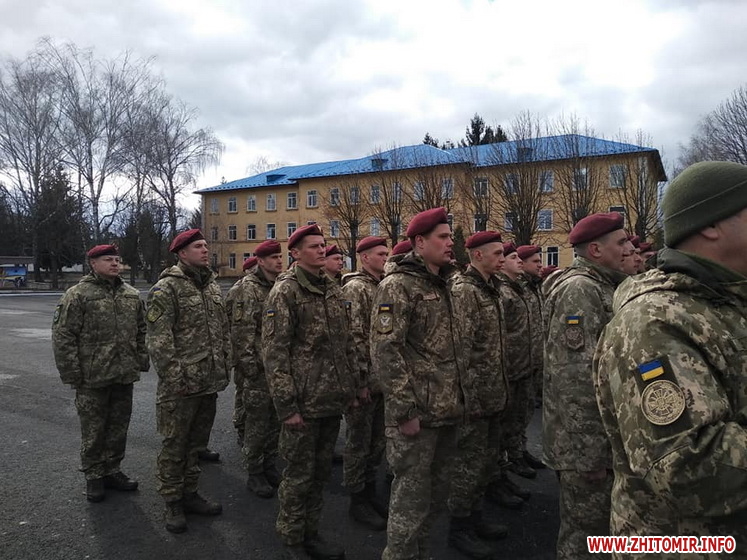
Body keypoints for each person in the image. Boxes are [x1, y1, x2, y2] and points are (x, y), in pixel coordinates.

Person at [594, 161, 747, 557]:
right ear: (710, 224)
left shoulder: (723, 302)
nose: (630, 252)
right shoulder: (654, 322)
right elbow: (688, 464)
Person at [371, 207, 466, 560]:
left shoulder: (445, 283)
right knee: (409, 503)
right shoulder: (397, 286)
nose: (450, 242)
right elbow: (385, 350)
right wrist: (404, 410)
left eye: (450, 236)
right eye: (443, 237)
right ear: (420, 242)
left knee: (435, 497)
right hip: (417, 416)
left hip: (446, 410)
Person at [542, 212, 633, 559]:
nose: (627, 249)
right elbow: (575, 377)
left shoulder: (602, 285)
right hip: (583, 443)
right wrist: (590, 454)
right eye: (620, 242)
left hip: (598, 438)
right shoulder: (580, 290)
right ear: (595, 249)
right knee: (585, 534)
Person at [262, 224, 356, 560]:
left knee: (319, 475)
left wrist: (351, 388)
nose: (321, 250)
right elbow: (275, 353)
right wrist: (287, 407)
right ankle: (292, 540)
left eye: (323, 245)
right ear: (296, 253)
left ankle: (310, 533)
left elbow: (345, 343)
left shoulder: (331, 287)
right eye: (314, 246)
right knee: (299, 476)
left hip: (330, 399)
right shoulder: (285, 292)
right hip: (303, 403)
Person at [146, 229, 231, 533]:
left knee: (196, 445)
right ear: (182, 253)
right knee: (175, 445)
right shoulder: (166, 288)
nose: (205, 250)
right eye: (198, 246)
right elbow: (159, 341)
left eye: (206, 245)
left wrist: (224, 366)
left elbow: (222, 330)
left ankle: (190, 493)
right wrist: (175, 379)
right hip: (181, 387)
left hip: (207, 381)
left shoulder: (210, 286)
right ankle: (172, 501)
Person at [52, 244, 148, 502]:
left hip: (123, 373)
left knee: (119, 426)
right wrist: (72, 373)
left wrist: (140, 359)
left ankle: (113, 469)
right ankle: (94, 475)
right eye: (108, 259)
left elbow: (141, 330)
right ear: (93, 263)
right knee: (94, 429)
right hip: (92, 376)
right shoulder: (78, 295)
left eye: (117, 259)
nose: (115, 263)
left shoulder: (131, 294)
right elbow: (63, 336)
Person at [447, 231, 510, 559]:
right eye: (497, 253)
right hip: (474, 398)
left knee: (485, 461)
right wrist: (467, 398)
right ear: (478, 255)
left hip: (493, 392)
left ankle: (475, 516)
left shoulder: (491, 287)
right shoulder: (465, 291)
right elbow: (461, 350)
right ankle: (459, 527)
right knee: (467, 466)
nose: (502, 258)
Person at [225, 241, 283, 498]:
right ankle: (255, 471)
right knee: (257, 424)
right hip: (257, 369)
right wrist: (250, 369)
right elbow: (241, 333)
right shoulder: (247, 289)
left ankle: (269, 464)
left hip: (276, 367)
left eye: (280, 256)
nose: (279, 261)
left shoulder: (278, 285)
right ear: (260, 261)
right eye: (273, 257)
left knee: (274, 421)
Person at [341, 236, 391, 531]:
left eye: (386, 253)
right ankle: (357, 498)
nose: (385, 257)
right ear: (364, 257)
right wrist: (359, 382)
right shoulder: (356, 288)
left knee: (377, 441)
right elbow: (353, 338)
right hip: (364, 382)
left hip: (382, 380)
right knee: (358, 442)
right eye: (380, 254)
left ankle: (370, 491)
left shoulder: (382, 285)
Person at [491, 242, 535, 507]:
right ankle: (500, 473)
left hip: (522, 366)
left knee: (518, 419)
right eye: (513, 257)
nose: (519, 261)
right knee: (499, 431)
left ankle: (512, 460)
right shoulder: (501, 291)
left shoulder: (520, 288)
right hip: (506, 370)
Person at [516, 244, 548, 447]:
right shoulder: (518, 288)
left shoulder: (534, 287)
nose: (540, 265)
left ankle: (520, 450)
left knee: (524, 412)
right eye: (535, 261)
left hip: (534, 360)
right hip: (519, 362)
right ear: (523, 263)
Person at [228, 254, 260, 447]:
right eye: (253, 269)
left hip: (260, 351)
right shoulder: (238, 290)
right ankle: (241, 426)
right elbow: (230, 319)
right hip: (243, 350)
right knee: (243, 392)